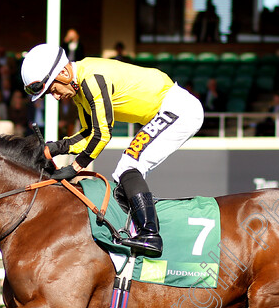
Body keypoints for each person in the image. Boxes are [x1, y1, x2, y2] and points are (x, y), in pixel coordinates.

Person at [20, 43, 204, 256]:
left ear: (63, 72)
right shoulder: (79, 88)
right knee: (122, 174)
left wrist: (76, 167)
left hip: (178, 108)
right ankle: (136, 231)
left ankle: (150, 235)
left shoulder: (91, 80)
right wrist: (53, 148)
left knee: (129, 165)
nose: (57, 96)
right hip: (166, 110)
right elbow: (89, 133)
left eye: (53, 89)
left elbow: (102, 134)